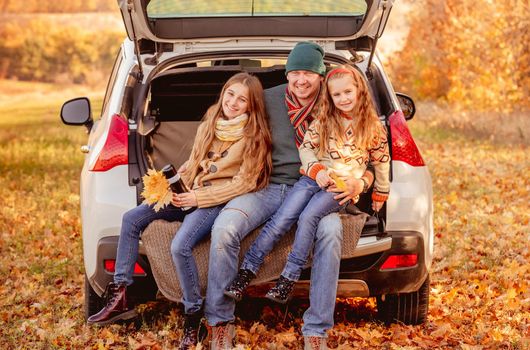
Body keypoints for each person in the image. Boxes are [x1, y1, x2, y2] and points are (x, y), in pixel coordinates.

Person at [204, 42, 375, 350]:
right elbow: (225, 124)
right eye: (295, 72)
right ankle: (219, 322)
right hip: (267, 187)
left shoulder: (338, 99)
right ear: (287, 73)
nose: (301, 80)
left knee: (332, 231)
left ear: (321, 76)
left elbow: (371, 153)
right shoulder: (267, 100)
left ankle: (316, 330)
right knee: (225, 226)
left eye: (308, 73)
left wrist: (361, 183)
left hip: (321, 192)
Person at [87, 73, 272, 347]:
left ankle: (192, 314)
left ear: (251, 105)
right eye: (230, 94)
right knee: (132, 219)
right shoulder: (211, 121)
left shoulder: (254, 137)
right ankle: (121, 294)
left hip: (213, 201)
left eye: (241, 99)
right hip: (188, 192)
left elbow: (243, 183)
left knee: (180, 245)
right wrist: (177, 181)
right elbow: (195, 160)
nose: (232, 102)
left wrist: (198, 198)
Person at [224, 65, 390, 305]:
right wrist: (316, 169)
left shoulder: (373, 127)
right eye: (337, 95)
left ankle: (288, 278)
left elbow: (381, 161)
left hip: (340, 187)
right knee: (282, 217)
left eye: (348, 92)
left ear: (360, 92)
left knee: (308, 217)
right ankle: (247, 271)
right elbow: (307, 148)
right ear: (330, 97)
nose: (343, 99)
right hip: (313, 178)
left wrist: (380, 192)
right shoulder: (325, 119)